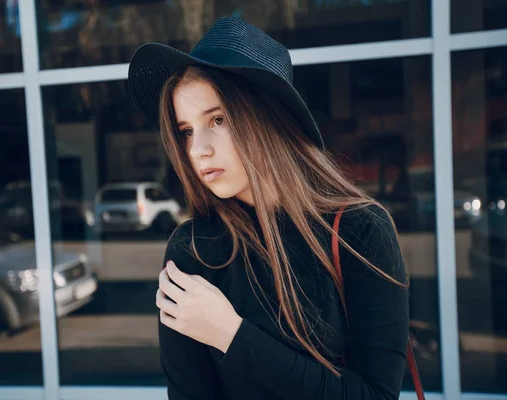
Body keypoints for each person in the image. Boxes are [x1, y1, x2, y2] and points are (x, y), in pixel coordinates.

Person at [128, 16, 409, 400]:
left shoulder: (361, 231)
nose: (198, 149)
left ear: (269, 118)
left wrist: (230, 335)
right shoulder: (195, 250)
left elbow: (376, 396)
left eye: (218, 119)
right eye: (187, 130)